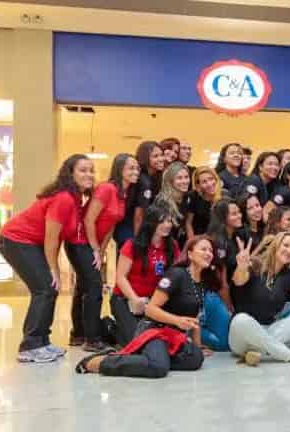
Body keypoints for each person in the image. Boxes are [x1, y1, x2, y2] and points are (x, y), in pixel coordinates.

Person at [0, 154, 93, 363]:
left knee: (49, 288)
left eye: (91, 170)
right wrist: (54, 270)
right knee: (44, 288)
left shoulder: (75, 198)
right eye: (83, 170)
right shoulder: (64, 199)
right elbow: (51, 239)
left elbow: (56, 239)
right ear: (70, 174)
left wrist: (54, 271)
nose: (89, 175)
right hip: (16, 240)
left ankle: (42, 342)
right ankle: (29, 346)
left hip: (31, 243)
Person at [75, 234, 212, 378]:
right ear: (190, 254)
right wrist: (177, 321)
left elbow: (195, 318)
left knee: (196, 359)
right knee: (158, 368)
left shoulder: (200, 282)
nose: (208, 253)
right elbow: (151, 309)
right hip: (154, 331)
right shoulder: (176, 275)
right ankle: (100, 362)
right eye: (203, 249)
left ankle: (147, 358)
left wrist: (198, 346)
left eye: (210, 251)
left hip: (174, 337)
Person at [68, 153, 139, 351]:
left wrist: (101, 248)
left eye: (137, 168)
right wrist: (93, 249)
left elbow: (111, 226)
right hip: (79, 241)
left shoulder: (123, 194)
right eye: (130, 168)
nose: (135, 172)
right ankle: (92, 339)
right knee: (94, 286)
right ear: (120, 170)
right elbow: (89, 219)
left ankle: (78, 333)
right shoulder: (107, 188)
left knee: (84, 286)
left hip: (94, 244)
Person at [229, 232, 290, 365]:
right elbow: (238, 281)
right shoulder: (255, 263)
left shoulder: (289, 275)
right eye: (286, 245)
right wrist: (241, 266)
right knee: (240, 320)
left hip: (269, 329)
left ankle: (257, 353)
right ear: (276, 245)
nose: (289, 251)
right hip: (242, 335)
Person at [111, 203, 180, 346]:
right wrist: (135, 299)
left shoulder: (172, 246)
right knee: (136, 342)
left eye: (169, 221)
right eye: (162, 221)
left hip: (152, 302)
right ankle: (109, 327)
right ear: (151, 222)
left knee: (153, 338)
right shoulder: (132, 245)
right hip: (125, 299)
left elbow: (175, 274)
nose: (167, 225)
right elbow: (120, 277)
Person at [207, 198, 248, 311]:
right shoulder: (219, 242)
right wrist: (229, 308)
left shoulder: (236, 235)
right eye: (234, 214)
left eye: (239, 212)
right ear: (223, 218)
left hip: (232, 289)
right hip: (215, 296)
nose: (239, 215)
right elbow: (221, 283)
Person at [130, 141, 165, 239]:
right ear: (145, 158)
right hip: (131, 227)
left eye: (161, 155)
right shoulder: (143, 181)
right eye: (155, 156)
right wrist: (137, 240)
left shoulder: (155, 178)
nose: (161, 159)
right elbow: (139, 215)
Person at [155, 161, 191, 249]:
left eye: (186, 177)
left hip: (177, 243)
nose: (184, 181)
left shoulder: (186, 197)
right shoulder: (162, 202)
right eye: (179, 178)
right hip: (165, 246)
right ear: (171, 181)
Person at [187, 166, 222, 236]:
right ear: (198, 185)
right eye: (204, 182)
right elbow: (188, 223)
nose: (209, 184)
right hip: (198, 237)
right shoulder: (193, 196)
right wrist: (193, 242)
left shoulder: (224, 196)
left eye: (211, 179)